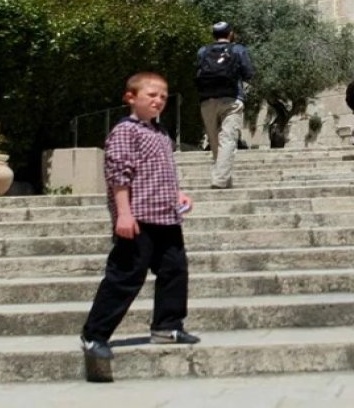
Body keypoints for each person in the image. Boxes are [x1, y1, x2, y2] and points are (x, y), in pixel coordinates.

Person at [81, 72, 198, 382]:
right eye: (151, 94)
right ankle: (94, 335)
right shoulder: (124, 132)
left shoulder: (161, 133)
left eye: (162, 95)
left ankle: (167, 326)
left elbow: (162, 172)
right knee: (125, 277)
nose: (158, 100)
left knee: (175, 270)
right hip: (138, 218)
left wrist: (178, 194)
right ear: (130, 97)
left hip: (167, 216)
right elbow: (119, 175)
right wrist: (123, 214)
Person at [196, 22, 255, 189]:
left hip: (207, 100)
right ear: (230, 34)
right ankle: (221, 180)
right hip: (232, 99)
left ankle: (224, 178)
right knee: (227, 140)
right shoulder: (238, 50)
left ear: (213, 35)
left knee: (215, 142)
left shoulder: (203, 51)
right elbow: (248, 73)